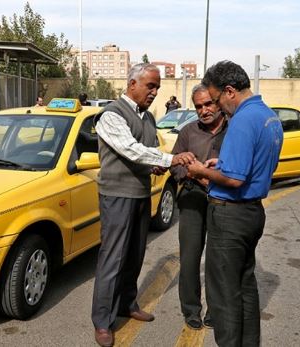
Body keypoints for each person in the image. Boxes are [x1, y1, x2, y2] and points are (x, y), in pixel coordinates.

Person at [92, 63, 195, 347]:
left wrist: (155, 165)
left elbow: (147, 151)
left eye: (158, 87)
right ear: (132, 84)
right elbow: (129, 149)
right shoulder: (111, 115)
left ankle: (127, 304)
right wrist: (169, 160)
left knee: (135, 255)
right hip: (117, 195)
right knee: (112, 258)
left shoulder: (148, 117)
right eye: (150, 86)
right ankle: (102, 320)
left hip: (140, 194)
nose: (154, 92)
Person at [187, 60, 283, 346]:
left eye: (216, 100)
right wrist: (224, 163)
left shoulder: (242, 119)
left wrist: (201, 171)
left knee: (223, 296)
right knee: (245, 285)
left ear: (229, 91)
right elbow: (253, 165)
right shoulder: (268, 116)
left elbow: (234, 180)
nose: (217, 107)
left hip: (231, 216)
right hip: (252, 213)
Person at [169, 84, 227, 330]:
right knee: (190, 258)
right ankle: (191, 310)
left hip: (223, 202)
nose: (204, 110)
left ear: (217, 102)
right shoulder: (188, 132)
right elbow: (174, 165)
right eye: (198, 106)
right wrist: (192, 174)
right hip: (192, 199)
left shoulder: (234, 129)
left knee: (218, 259)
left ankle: (215, 310)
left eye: (208, 104)